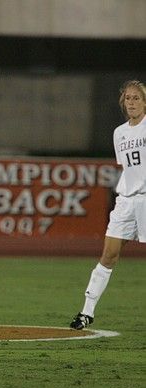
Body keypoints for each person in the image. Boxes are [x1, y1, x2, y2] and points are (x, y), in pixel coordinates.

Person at [70, 80, 146, 329]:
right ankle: (86, 312)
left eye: (137, 98)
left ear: (145, 102)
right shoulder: (119, 132)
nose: (132, 102)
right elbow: (128, 168)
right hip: (126, 201)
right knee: (108, 255)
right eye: (128, 98)